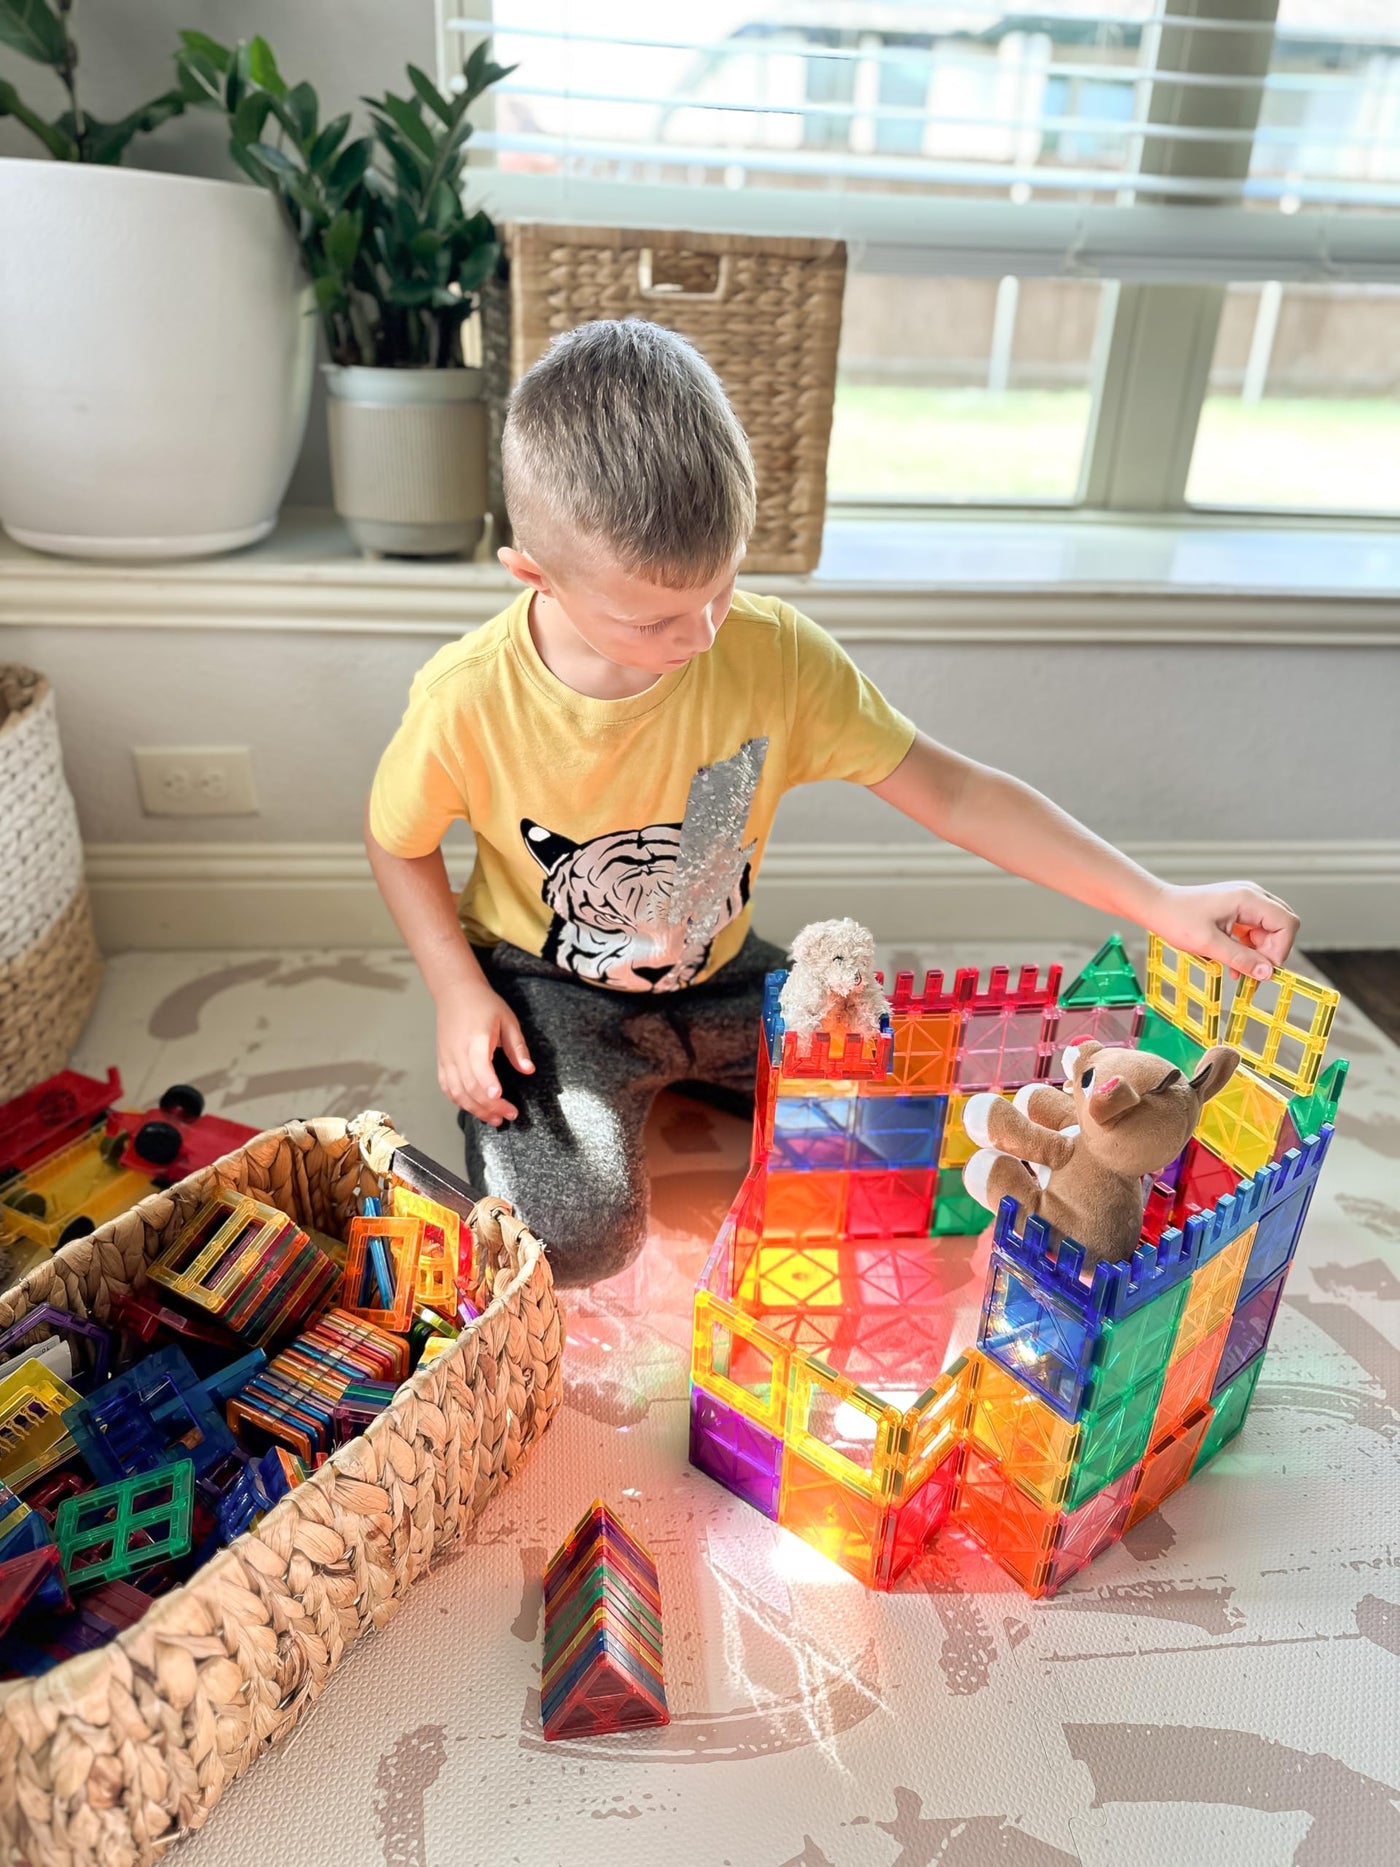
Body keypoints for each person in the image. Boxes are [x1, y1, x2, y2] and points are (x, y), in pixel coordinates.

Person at [366, 319, 1298, 1284]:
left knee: (915, 1117)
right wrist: (456, 987)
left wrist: (1157, 900)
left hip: (721, 975)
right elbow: (397, 841)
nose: (699, 637)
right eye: (652, 619)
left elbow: (956, 788)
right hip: (550, 985)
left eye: (723, 589)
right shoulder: (468, 700)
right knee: (572, 1242)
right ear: (535, 574)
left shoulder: (772, 655)